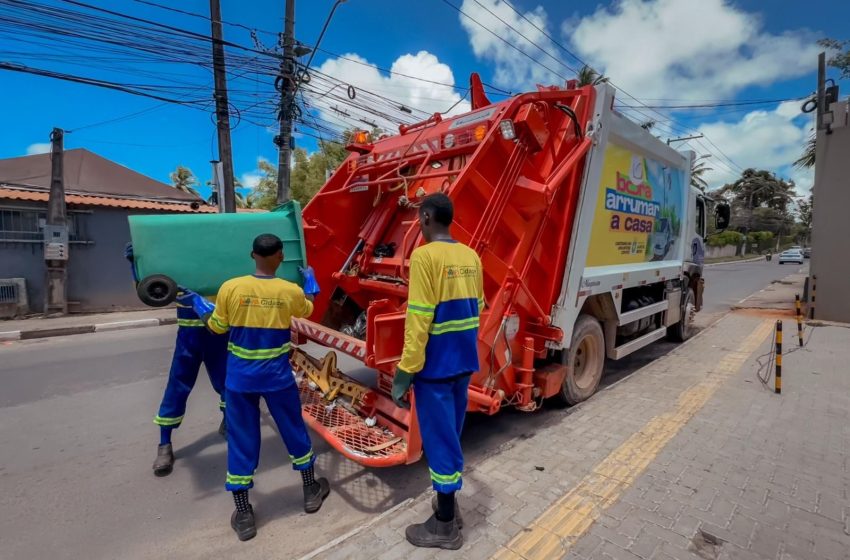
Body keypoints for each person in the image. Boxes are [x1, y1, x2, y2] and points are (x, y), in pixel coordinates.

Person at [178, 234, 330, 542]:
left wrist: (198, 305)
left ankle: (244, 513)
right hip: (277, 379)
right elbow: (309, 309)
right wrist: (311, 281)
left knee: (242, 440)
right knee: (293, 432)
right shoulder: (289, 291)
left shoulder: (231, 288)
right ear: (279, 256)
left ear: (252, 255)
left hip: (240, 380)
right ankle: (310, 490)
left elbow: (217, 327)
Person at [392, 192, 484, 550]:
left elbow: (418, 319)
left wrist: (405, 371)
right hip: (462, 362)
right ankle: (450, 504)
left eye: (419, 216)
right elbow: (479, 306)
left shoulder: (424, 256)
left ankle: (445, 525)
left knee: (441, 442)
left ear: (427, 217)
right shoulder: (471, 255)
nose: (418, 221)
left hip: (434, 368)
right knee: (451, 435)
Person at [123, 243, 228, 477]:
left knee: (227, 385)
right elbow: (148, 290)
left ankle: (228, 422)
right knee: (176, 389)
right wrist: (135, 265)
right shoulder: (179, 269)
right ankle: (164, 445)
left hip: (219, 336)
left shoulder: (225, 269)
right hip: (188, 340)